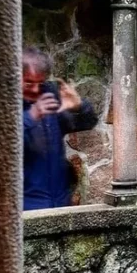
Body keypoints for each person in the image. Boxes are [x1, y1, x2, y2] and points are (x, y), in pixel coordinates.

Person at [22, 47, 98, 210]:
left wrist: (78, 107)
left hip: (60, 203)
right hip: (25, 207)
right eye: (29, 83)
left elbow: (88, 122)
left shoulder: (50, 95)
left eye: (40, 83)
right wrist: (31, 117)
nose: (35, 89)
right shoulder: (2, 101)